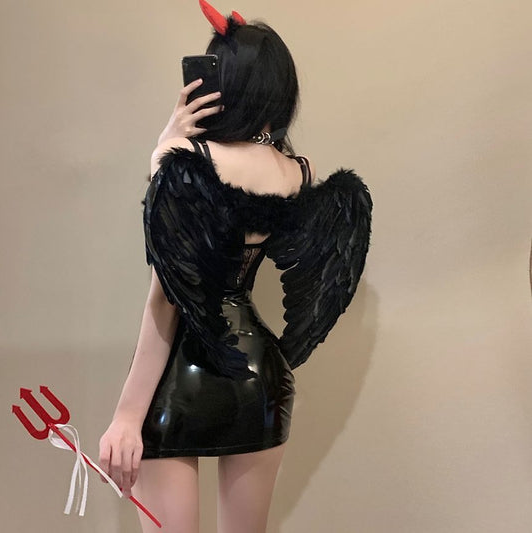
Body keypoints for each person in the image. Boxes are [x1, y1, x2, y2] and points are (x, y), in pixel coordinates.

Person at [98, 2, 373, 532]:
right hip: (260, 379)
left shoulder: (184, 159)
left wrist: (127, 417)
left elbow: (167, 300)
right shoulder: (299, 171)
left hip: (181, 379)